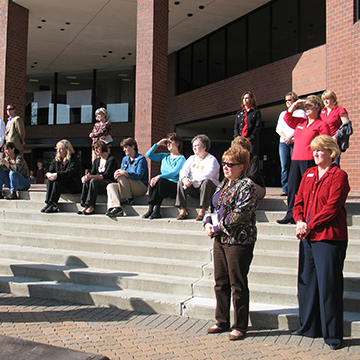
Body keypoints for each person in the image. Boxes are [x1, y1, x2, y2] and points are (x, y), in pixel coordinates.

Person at [293, 135, 349, 350]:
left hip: (329, 237)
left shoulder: (339, 176)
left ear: (331, 152)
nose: (315, 154)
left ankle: (333, 335)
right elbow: (298, 201)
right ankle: (309, 326)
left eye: (320, 150)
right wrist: (299, 220)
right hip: (308, 235)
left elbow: (332, 208)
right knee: (307, 283)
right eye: (314, 151)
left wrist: (308, 224)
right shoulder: (308, 174)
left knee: (329, 286)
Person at [204, 146, 258, 341]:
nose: (225, 167)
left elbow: (240, 213)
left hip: (238, 241)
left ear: (241, 167)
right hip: (220, 240)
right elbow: (213, 207)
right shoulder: (223, 184)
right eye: (224, 163)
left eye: (230, 164)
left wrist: (218, 227)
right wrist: (207, 223)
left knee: (238, 283)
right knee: (220, 281)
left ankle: (240, 325)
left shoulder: (247, 186)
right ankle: (222, 321)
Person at [277, 95, 331, 224]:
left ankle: (307, 214)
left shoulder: (322, 124)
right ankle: (290, 214)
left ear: (317, 107)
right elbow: (287, 118)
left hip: (310, 161)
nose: (306, 108)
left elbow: (325, 143)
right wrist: (295, 104)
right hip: (295, 159)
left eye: (310, 106)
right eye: (305, 106)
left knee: (308, 189)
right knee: (292, 188)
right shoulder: (301, 122)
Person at [175, 134, 220, 221]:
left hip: (207, 189)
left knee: (206, 182)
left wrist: (192, 180)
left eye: (197, 145)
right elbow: (183, 170)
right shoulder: (192, 158)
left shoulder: (211, 159)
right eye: (193, 146)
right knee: (180, 182)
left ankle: (202, 210)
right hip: (194, 188)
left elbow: (209, 174)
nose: (194, 148)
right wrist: (185, 179)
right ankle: (183, 210)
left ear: (204, 147)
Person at [143, 133, 186, 219]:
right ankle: (151, 209)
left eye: (170, 142)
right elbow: (148, 155)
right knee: (154, 181)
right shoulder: (164, 156)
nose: (168, 145)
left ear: (177, 143)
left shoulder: (181, 158)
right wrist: (158, 144)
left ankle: (157, 209)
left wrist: (159, 176)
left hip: (174, 187)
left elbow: (174, 172)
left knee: (160, 180)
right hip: (162, 187)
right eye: (167, 143)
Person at [106, 137, 148, 217]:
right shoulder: (124, 159)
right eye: (123, 148)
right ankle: (116, 207)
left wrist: (125, 173)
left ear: (133, 147)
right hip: (127, 187)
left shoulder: (141, 159)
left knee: (122, 176)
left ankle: (128, 199)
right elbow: (121, 174)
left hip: (140, 187)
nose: (124, 150)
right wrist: (117, 174)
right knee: (110, 186)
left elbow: (138, 175)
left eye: (126, 147)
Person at [276, 92, 306, 196]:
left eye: (290, 100)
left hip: (295, 141)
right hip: (283, 142)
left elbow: (300, 126)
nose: (288, 102)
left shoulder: (300, 112)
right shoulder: (282, 114)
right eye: (286, 100)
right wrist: (284, 137)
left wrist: (290, 137)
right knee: (284, 166)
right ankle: (285, 188)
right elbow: (278, 128)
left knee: (294, 165)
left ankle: (296, 188)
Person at [41, 139, 82, 213]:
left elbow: (70, 172)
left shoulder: (73, 159)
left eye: (60, 149)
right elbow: (50, 169)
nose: (58, 151)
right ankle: (48, 203)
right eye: (57, 149)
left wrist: (57, 174)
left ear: (67, 149)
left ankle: (54, 204)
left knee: (58, 178)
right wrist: (48, 174)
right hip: (60, 185)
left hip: (73, 185)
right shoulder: (57, 159)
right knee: (50, 179)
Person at [79, 140, 118, 215]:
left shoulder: (111, 159)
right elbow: (93, 173)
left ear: (102, 147)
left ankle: (91, 206)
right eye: (94, 148)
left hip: (108, 183)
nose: (95, 150)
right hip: (98, 183)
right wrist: (86, 177)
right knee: (88, 181)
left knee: (93, 180)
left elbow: (106, 175)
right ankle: (85, 205)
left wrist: (91, 176)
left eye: (97, 147)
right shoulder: (96, 161)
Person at [320, 90, 350, 167]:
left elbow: (346, 125)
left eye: (327, 99)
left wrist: (336, 136)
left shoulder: (339, 110)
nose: (325, 101)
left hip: (334, 141)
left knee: (334, 163)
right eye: (324, 99)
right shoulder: (322, 111)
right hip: (323, 141)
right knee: (323, 163)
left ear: (333, 99)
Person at [233, 91, 261, 155]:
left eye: (247, 98)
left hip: (251, 141)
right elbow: (236, 126)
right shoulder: (240, 113)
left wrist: (250, 137)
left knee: (251, 158)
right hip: (240, 141)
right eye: (243, 98)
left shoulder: (255, 112)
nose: (245, 100)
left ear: (251, 99)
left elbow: (257, 126)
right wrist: (237, 137)